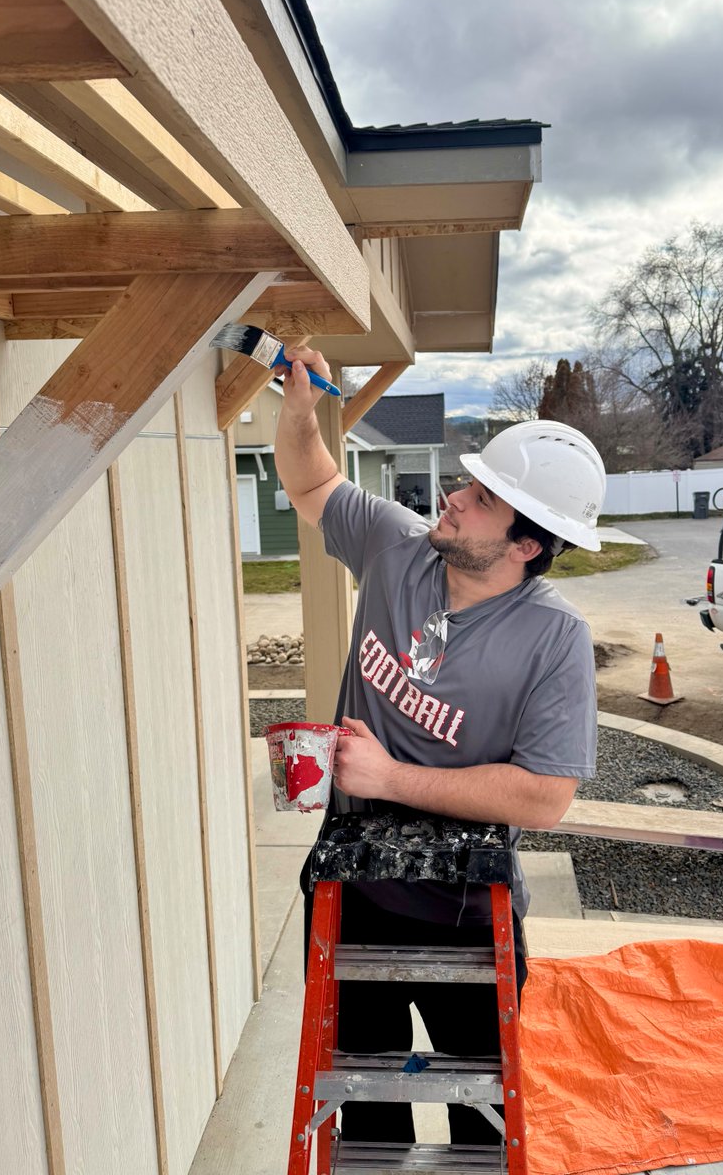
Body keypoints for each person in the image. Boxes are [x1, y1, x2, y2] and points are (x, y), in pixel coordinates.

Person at [275, 346, 607, 1145]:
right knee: (367, 1109)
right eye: (468, 483)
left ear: (527, 544)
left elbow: (545, 796)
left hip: (467, 908)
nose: (452, 499)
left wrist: (389, 776)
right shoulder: (399, 549)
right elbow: (313, 483)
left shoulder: (553, 640)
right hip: (351, 890)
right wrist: (295, 412)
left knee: (482, 1116)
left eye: (482, 499)